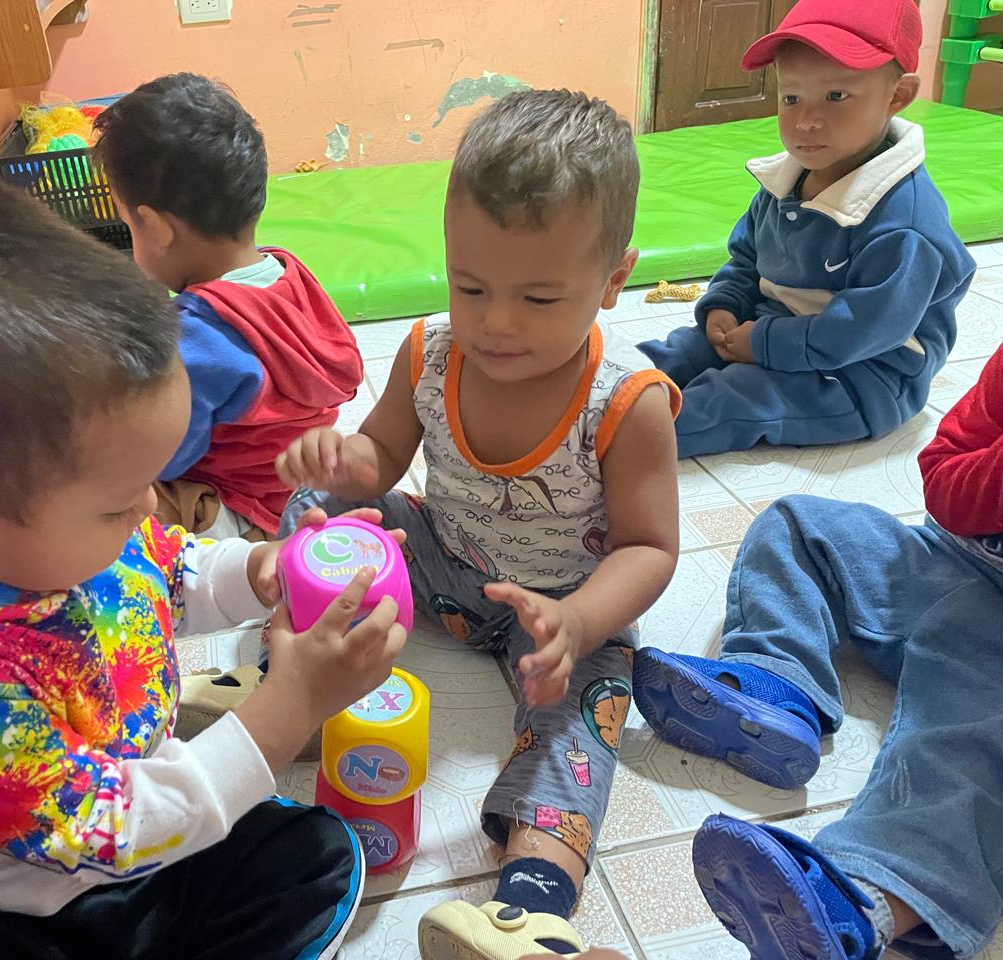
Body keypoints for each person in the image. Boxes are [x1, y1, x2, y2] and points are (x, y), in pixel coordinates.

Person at [0, 170, 407, 960]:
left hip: (137, 837)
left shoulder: (49, 532)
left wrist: (260, 570)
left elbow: (168, 570)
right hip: (1, 912)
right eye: (118, 503)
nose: (147, 510)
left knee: (310, 857)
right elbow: (109, 830)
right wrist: (291, 703)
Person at [279, 90, 682, 959]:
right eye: (471, 287)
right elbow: (382, 456)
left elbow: (650, 548)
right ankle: (299, 683)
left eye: (537, 297)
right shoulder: (429, 353)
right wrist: (342, 462)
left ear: (614, 281)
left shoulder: (629, 404)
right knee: (315, 516)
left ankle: (529, 910)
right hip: (444, 561)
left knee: (585, 720)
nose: (496, 322)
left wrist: (577, 622)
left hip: (562, 613)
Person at [632, 338, 1003, 960]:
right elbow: (943, 470)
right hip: (950, 561)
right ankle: (779, 688)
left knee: (962, 748)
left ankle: (865, 904)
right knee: (798, 525)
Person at [637, 0, 975, 460]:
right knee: (680, 352)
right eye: (791, 98)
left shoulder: (906, 225)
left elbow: (863, 330)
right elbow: (747, 259)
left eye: (835, 97)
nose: (805, 121)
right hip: (775, 327)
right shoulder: (786, 180)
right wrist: (724, 306)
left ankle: (619, 441)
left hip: (864, 375)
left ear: (898, 95)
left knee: (736, 395)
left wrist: (764, 344)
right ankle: (588, 394)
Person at [93, 73, 364, 540]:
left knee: (103, 495)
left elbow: (169, 457)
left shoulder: (197, 338)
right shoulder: (290, 273)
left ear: (155, 228)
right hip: (305, 494)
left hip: (242, 512)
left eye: (129, 227)